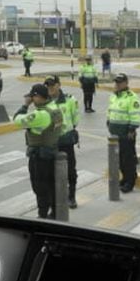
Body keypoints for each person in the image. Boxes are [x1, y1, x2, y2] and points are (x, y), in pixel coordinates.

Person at [13, 84, 62, 218]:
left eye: (33, 97)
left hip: (40, 156)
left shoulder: (40, 114)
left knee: (40, 187)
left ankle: (42, 215)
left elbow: (17, 120)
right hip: (52, 152)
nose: (32, 100)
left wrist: (25, 105)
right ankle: (55, 212)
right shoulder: (54, 108)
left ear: (39, 97)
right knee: (51, 185)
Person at [45, 75, 80, 208]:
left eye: (52, 85)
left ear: (59, 85)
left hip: (66, 141)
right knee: (50, 171)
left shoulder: (70, 100)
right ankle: (54, 198)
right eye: (48, 85)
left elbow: (75, 119)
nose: (50, 88)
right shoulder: (44, 101)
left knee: (70, 170)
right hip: (50, 143)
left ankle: (72, 196)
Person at [107, 74, 140, 193]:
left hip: (126, 134)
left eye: (120, 82)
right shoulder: (114, 96)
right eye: (116, 82)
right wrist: (108, 121)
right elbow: (110, 111)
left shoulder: (132, 97)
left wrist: (132, 129)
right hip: (115, 134)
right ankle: (125, 178)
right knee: (120, 159)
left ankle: (130, 182)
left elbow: (136, 114)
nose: (117, 84)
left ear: (126, 83)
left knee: (128, 159)